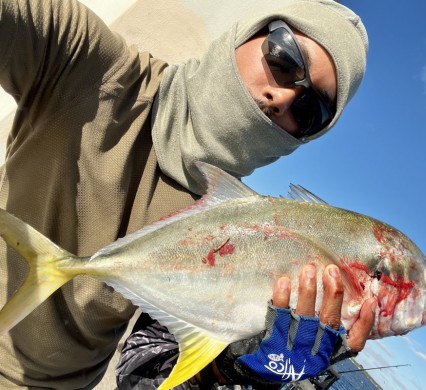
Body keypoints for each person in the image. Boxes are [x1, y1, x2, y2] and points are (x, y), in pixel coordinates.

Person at [0, 0, 372, 389]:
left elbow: (145, 374)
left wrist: (231, 368)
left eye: (311, 110)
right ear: (250, 32)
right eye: (285, 59)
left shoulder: (234, 228)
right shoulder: (91, 68)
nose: (284, 99)